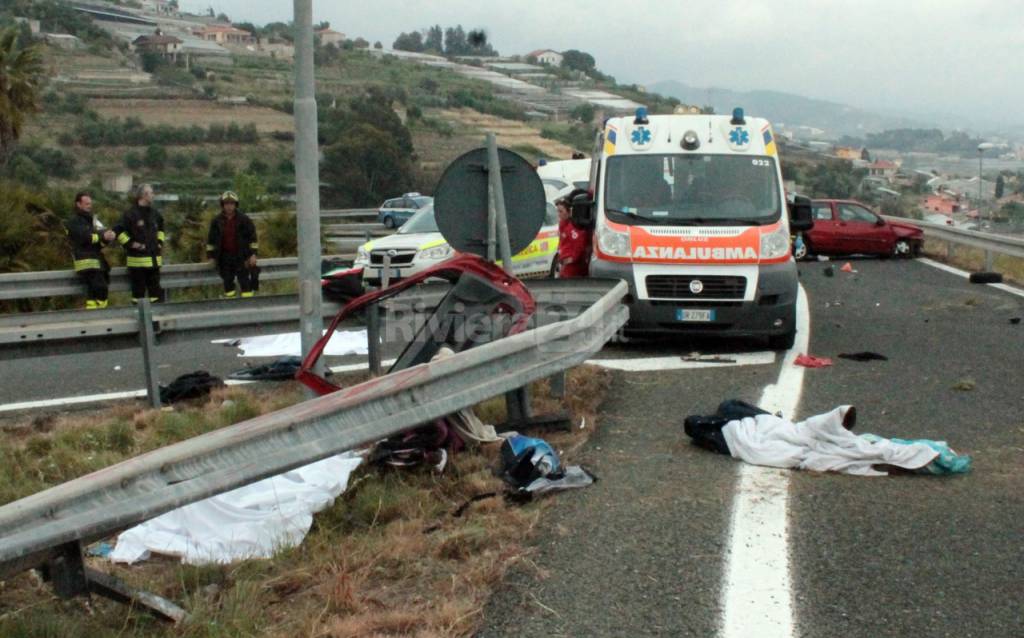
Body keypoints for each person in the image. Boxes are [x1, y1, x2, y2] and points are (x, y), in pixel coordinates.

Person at [64, 191, 115, 309]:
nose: (89, 205)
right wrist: (102, 236)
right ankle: (101, 313)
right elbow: (85, 237)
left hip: (97, 261)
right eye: (86, 203)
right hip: (86, 261)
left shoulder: (93, 220)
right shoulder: (74, 222)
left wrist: (108, 237)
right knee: (100, 288)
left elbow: (101, 238)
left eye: (90, 203)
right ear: (78, 204)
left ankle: (93, 313)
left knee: (94, 292)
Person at [116, 183, 164, 303]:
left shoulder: (155, 214)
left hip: (154, 262)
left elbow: (161, 230)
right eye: (151, 193)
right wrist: (131, 244)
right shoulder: (130, 214)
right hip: (137, 264)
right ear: (143, 195)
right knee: (138, 297)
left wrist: (159, 243)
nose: (153, 196)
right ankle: (139, 320)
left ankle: (156, 320)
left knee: (156, 296)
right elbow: (119, 232)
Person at [206, 191, 258, 298]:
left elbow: (253, 238)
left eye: (231, 203)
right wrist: (211, 257)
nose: (229, 206)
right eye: (226, 204)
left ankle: (247, 306)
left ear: (236, 205)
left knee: (245, 283)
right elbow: (211, 241)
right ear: (222, 205)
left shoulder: (244, 219)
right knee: (228, 283)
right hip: (224, 258)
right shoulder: (216, 221)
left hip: (242, 257)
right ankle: (230, 306)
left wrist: (253, 254)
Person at [556, 196, 591, 278]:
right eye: (557, 211)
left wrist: (572, 259)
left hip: (572, 268)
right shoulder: (562, 224)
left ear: (569, 212)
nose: (558, 214)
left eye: (561, 211)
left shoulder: (573, 227)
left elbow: (580, 245)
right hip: (564, 265)